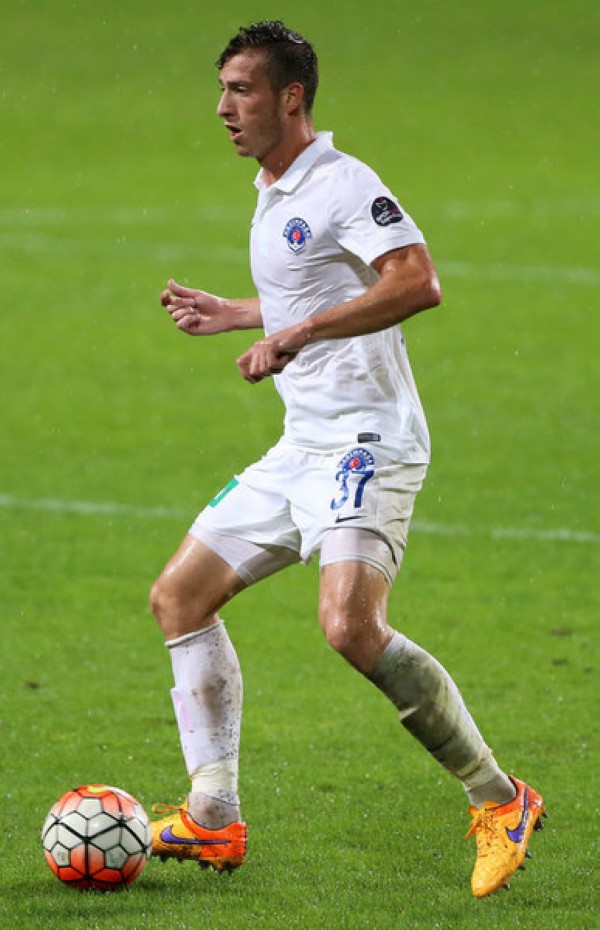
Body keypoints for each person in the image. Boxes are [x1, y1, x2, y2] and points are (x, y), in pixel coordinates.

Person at [149, 20, 545, 897]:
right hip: (302, 446)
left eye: (242, 90)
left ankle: (500, 798)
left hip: (371, 444)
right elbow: (316, 285)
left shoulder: (341, 183)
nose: (223, 108)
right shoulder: (273, 188)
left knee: (349, 627)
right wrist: (239, 312)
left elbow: (415, 281)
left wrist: (295, 336)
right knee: (179, 597)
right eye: (222, 90)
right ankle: (212, 815)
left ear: (291, 97)